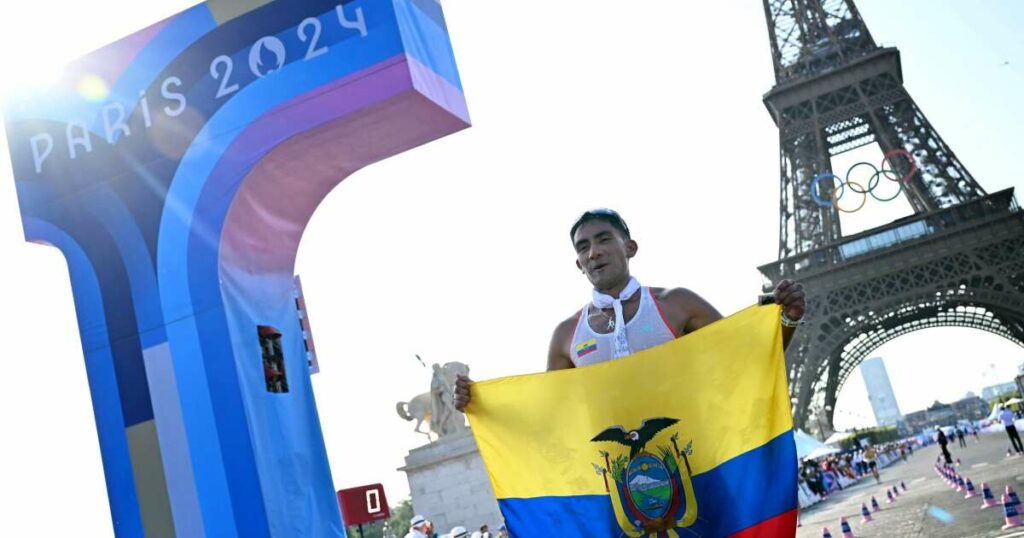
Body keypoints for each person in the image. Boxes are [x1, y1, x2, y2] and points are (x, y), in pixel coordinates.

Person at [454, 209, 806, 410]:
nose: (594, 252)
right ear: (578, 264)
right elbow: (552, 413)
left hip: (698, 456)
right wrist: (481, 403)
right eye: (583, 247)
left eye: (604, 239)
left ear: (631, 247)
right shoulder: (566, 336)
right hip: (619, 481)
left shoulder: (676, 303)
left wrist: (787, 317)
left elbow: (748, 358)